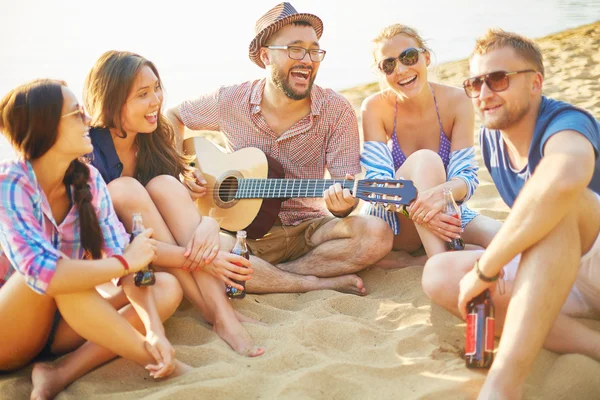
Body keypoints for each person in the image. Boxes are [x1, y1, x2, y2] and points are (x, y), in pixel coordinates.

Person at [167, 2, 393, 295]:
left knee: (376, 234)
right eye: (295, 49)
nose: (307, 59)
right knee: (213, 247)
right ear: (265, 56)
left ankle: (271, 276)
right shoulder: (229, 101)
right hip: (242, 235)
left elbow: (346, 189)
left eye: (314, 50)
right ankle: (310, 281)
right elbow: (171, 116)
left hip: (310, 231)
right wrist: (180, 168)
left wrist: (344, 204)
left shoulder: (337, 110)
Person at [422, 29, 600, 399]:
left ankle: (503, 386)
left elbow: (563, 178)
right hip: (560, 271)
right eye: (474, 83)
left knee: (557, 205)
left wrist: (487, 269)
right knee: (440, 273)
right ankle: (591, 345)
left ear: (535, 82)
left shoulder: (567, 123)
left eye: (498, 79)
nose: (485, 94)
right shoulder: (491, 139)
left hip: (592, 251)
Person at [0, 79, 192, 400]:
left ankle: (61, 371)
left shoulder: (87, 179)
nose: (88, 120)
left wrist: (155, 330)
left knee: (166, 286)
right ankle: (153, 358)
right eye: (76, 114)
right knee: (64, 277)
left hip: (68, 325)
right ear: (44, 128)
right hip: (11, 329)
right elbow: (43, 273)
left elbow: (127, 264)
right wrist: (124, 262)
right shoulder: (10, 183)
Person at [85, 50, 264, 357]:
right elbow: (118, 244)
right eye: (143, 94)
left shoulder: (153, 138)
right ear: (112, 101)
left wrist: (207, 221)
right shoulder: (89, 153)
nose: (156, 101)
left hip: (164, 256)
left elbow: (170, 213)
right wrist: (205, 257)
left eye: (156, 88)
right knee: (125, 189)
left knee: (166, 184)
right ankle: (218, 313)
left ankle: (219, 314)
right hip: (117, 267)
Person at [360, 24, 499, 269]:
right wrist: (417, 208)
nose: (401, 70)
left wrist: (433, 199)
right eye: (388, 64)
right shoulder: (375, 107)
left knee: (503, 238)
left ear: (426, 57)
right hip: (394, 221)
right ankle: (441, 263)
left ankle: (421, 259)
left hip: (444, 210)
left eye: (409, 57)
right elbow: (377, 185)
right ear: (381, 72)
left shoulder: (458, 101)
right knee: (426, 159)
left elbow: (466, 179)